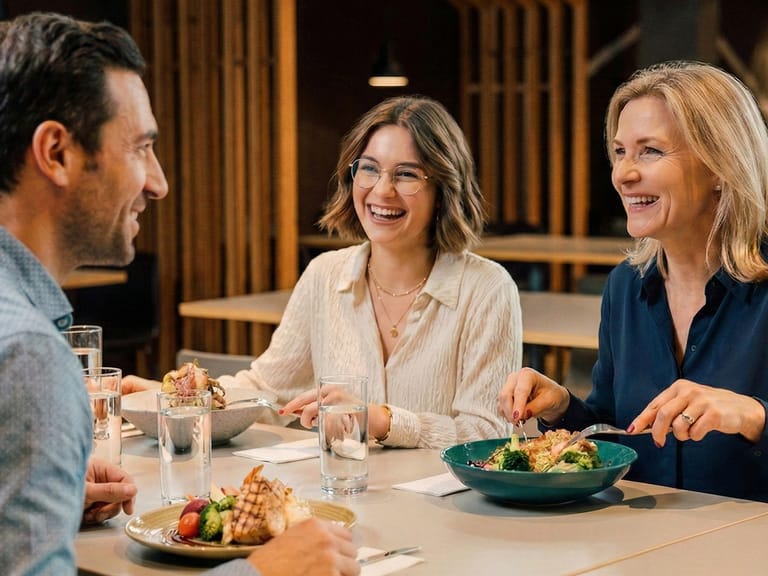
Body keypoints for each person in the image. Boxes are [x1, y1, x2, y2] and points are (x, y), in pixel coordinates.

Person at [0, 11, 358, 576]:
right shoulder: (29, 357)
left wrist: (39, 505)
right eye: (141, 147)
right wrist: (264, 573)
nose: (159, 181)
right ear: (57, 153)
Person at [497, 60, 768, 502]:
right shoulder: (625, 286)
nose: (623, 174)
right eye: (620, 152)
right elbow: (616, 434)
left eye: (651, 151)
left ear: (721, 166)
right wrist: (563, 406)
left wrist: (753, 416)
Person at [209, 95, 522, 449]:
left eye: (406, 175)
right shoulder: (323, 275)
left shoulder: (488, 289)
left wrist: (381, 420)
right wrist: (175, 398)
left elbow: (487, 434)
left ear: (443, 189)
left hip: (442, 504)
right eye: (369, 168)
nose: (382, 190)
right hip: (345, 496)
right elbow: (265, 390)